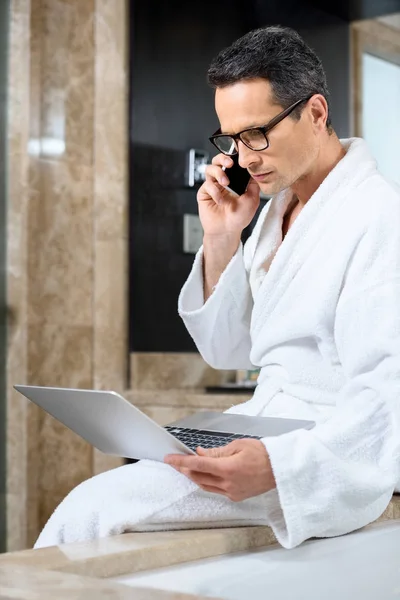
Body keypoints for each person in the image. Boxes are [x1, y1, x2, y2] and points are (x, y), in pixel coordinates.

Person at [34, 25, 400, 550]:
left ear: (316, 114)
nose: (243, 156)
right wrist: (224, 236)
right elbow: (226, 349)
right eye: (231, 138)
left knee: (91, 509)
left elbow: (387, 399)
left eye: (257, 133)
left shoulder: (379, 216)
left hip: (322, 454)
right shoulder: (277, 215)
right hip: (265, 429)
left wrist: (279, 467)